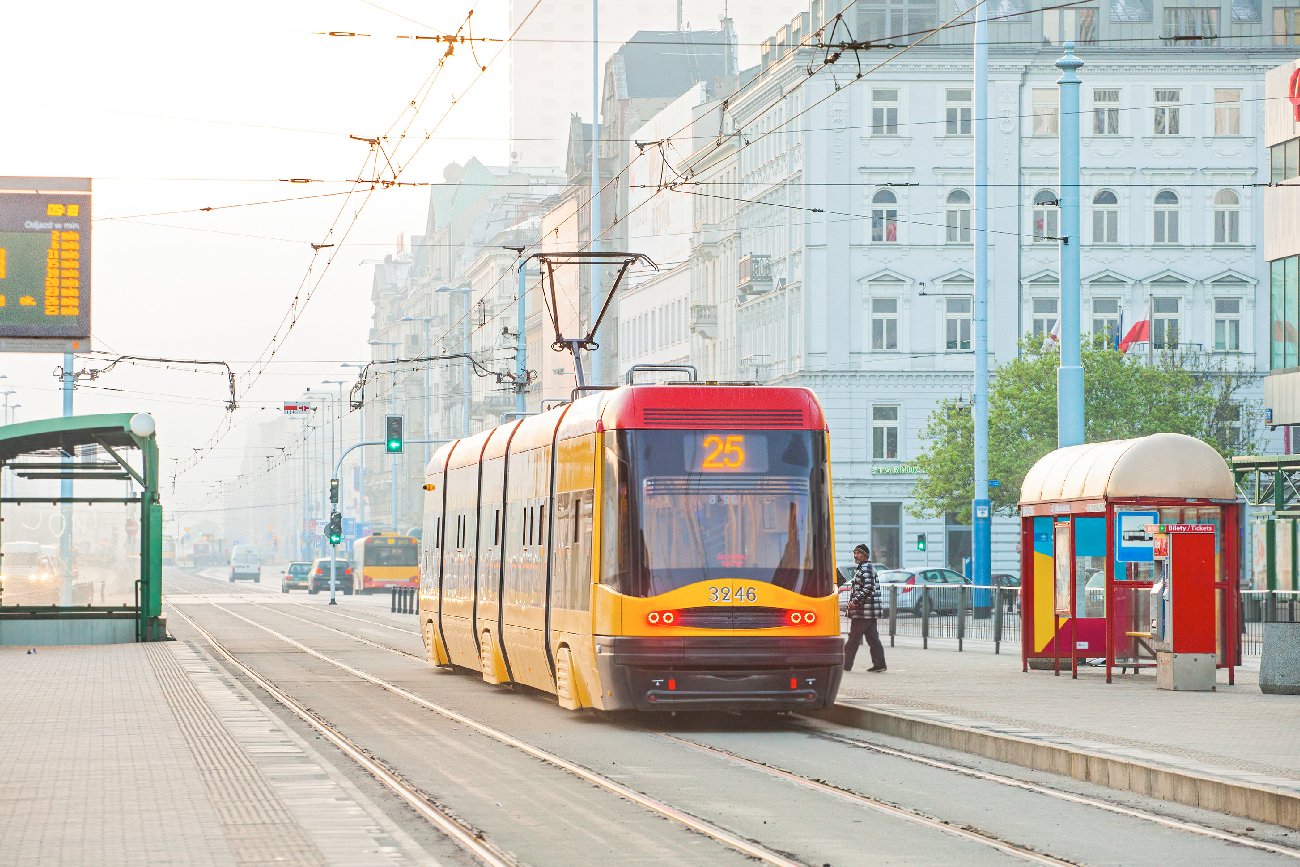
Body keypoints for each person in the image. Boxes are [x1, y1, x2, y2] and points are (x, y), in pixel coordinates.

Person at [844, 543, 887, 673]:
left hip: (863, 611)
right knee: (873, 639)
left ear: (865, 555)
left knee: (853, 639)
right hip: (869, 611)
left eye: (858, 553)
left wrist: (855, 601)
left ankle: (845, 665)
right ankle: (879, 664)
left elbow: (868, 588)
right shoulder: (864, 568)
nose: (855, 556)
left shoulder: (865, 569)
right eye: (854, 553)